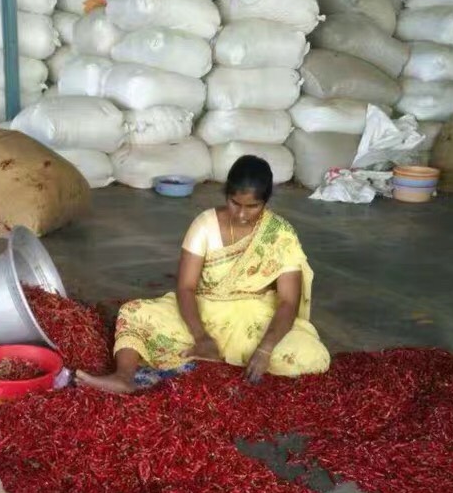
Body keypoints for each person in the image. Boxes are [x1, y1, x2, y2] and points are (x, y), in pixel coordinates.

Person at [78, 155, 331, 394]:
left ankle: (226, 359)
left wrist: (265, 350)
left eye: (252, 206)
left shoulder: (280, 233)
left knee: (312, 356)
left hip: (253, 320)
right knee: (134, 312)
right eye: (235, 203)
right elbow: (186, 287)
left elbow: (288, 300)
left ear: (266, 202)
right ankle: (124, 376)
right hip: (204, 311)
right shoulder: (205, 224)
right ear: (226, 194)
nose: (242, 214)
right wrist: (201, 336)